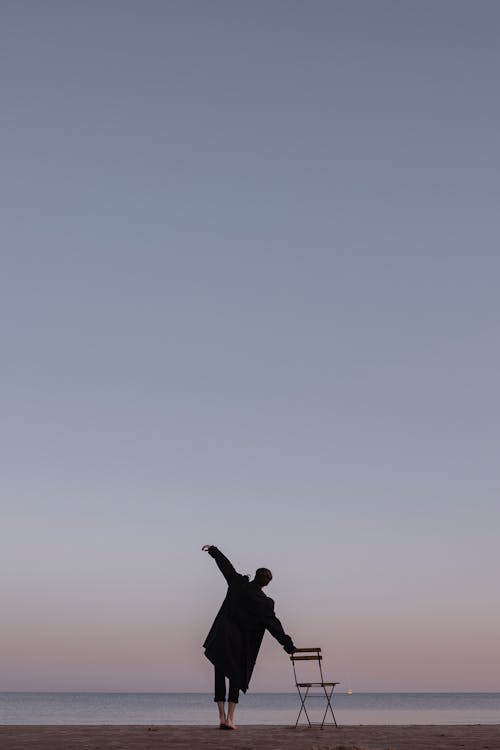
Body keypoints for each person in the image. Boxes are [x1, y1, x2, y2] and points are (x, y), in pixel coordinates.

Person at [202, 544, 296, 730]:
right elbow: (273, 625)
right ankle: (230, 719)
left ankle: (221, 717)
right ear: (267, 583)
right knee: (235, 677)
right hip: (240, 643)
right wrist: (288, 645)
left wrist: (213, 550)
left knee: (220, 674)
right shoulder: (265, 603)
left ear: (255, 575)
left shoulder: (238, 583)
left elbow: (225, 566)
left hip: (222, 637)